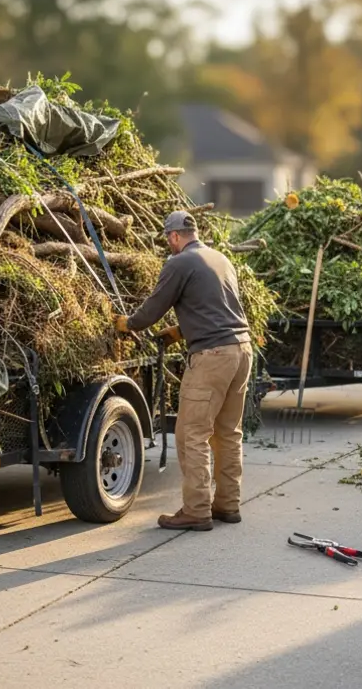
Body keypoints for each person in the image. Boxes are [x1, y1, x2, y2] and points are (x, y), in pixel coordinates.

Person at [114, 210, 252, 531]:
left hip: (212, 356)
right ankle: (228, 505)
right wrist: (180, 331)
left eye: (168, 238)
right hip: (241, 351)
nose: (168, 244)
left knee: (192, 434)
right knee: (228, 432)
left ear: (175, 236)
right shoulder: (220, 259)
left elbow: (153, 308)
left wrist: (128, 323)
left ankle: (196, 510)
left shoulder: (178, 263)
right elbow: (219, 308)